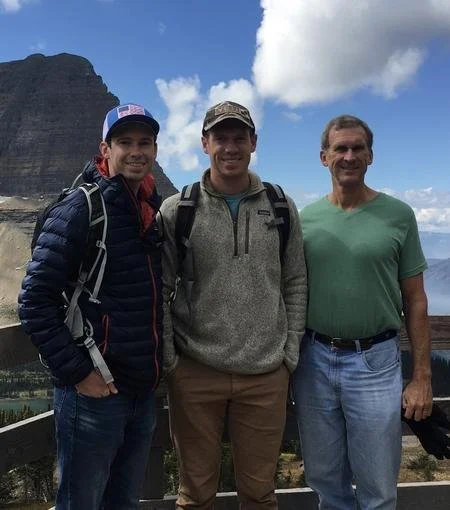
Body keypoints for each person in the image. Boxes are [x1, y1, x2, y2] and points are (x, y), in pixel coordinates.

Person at [160, 100, 307, 509]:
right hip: (194, 372)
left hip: (265, 374)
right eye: (220, 138)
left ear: (253, 142)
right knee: (194, 494)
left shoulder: (279, 206)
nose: (230, 147)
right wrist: (172, 360)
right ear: (204, 143)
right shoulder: (178, 210)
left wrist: (288, 353)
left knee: (260, 494)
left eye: (238, 138)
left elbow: (294, 280)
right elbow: (161, 286)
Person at [18, 103, 163, 510]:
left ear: (155, 149)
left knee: (123, 502)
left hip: (139, 392)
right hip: (94, 394)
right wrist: (78, 372)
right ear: (105, 148)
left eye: (145, 142)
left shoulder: (148, 208)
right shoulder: (82, 208)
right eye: (125, 142)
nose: (136, 151)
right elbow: (33, 300)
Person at [294, 114, 433, 510]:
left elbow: (416, 299)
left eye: (358, 148)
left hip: (375, 360)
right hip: (314, 360)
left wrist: (422, 376)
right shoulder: (305, 221)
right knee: (324, 479)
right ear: (324, 157)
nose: (349, 156)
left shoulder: (399, 215)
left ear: (370, 155)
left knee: (377, 486)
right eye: (341, 148)